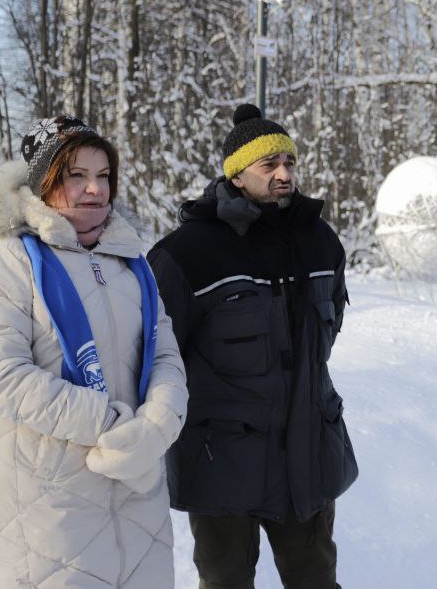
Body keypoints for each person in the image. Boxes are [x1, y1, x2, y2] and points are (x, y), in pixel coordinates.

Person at [0, 116, 188, 587]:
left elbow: (165, 355)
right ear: (43, 182)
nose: (94, 189)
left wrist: (157, 424)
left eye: (103, 175)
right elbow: (0, 375)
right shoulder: (7, 261)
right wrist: (110, 424)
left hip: (138, 498)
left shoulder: (131, 263)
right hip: (49, 508)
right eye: (75, 175)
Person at [149, 104, 357, 589]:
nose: (284, 173)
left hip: (306, 454)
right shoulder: (188, 253)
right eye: (270, 164)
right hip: (222, 463)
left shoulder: (320, 242)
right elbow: (158, 355)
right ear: (237, 174)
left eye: (289, 162)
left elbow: (328, 330)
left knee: (316, 581)